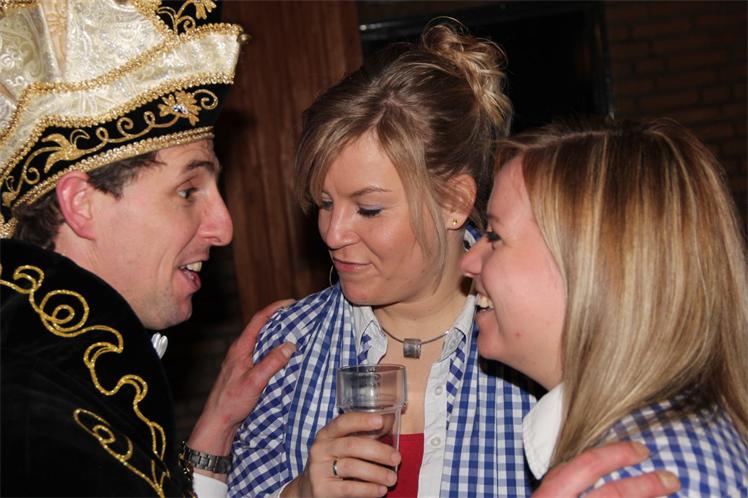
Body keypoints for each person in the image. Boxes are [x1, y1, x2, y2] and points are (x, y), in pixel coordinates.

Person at [227, 22, 680, 498]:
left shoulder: (541, 346)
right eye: (324, 203)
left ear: (454, 201)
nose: (333, 233)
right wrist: (297, 494)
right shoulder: (287, 345)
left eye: (369, 208)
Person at [0, 2, 293, 496]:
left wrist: (214, 433)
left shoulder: (62, 371)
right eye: (188, 191)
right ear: (82, 205)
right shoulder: (35, 421)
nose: (223, 228)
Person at [461, 118, 748, 496]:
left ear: (592, 266)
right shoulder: (663, 443)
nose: (468, 261)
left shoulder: (630, 477)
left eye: (495, 235)